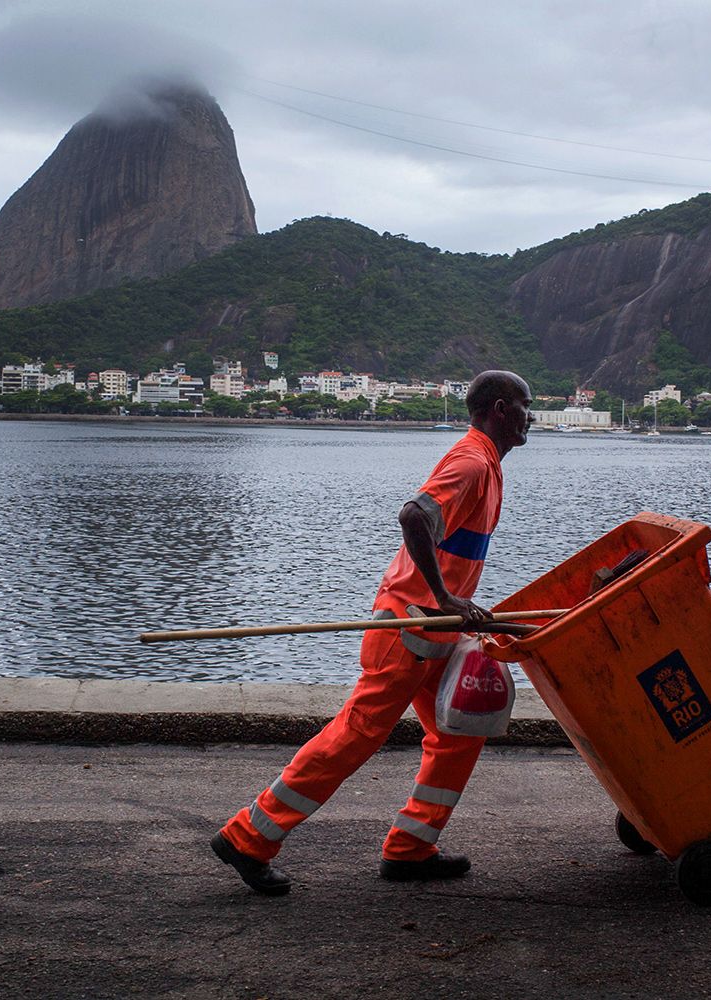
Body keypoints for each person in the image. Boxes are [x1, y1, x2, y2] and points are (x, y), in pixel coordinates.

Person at [211, 370, 534, 895]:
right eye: (524, 405)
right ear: (500, 409)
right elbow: (414, 517)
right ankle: (248, 836)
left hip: (437, 632)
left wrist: (457, 606)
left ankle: (411, 848)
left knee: (460, 733)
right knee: (357, 735)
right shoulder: (473, 460)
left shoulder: (489, 466)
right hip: (408, 629)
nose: (530, 416)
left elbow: (450, 549)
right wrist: (447, 598)